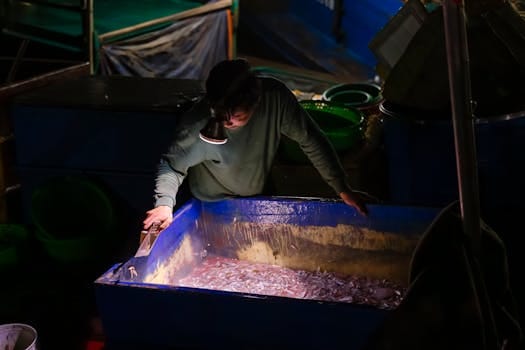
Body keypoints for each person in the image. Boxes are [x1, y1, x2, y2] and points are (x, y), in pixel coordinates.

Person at [143, 59, 369, 230]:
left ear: (255, 100)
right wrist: (164, 203)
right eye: (222, 115)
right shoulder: (197, 124)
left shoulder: (275, 99)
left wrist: (341, 187)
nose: (228, 123)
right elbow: (172, 166)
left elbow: (311, 139)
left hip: (259, 198)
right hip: (211, 206)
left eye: (237, 117)